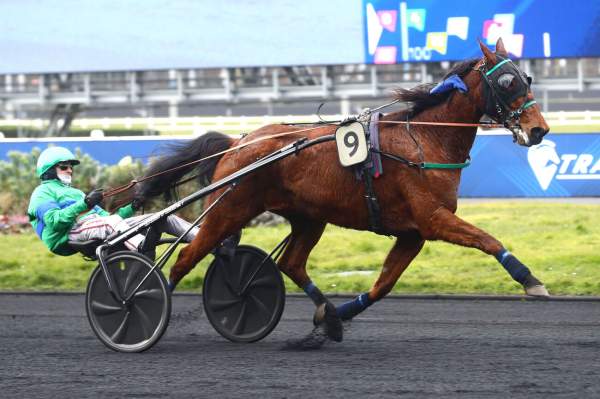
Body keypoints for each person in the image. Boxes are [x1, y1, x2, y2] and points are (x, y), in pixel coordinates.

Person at [27, 147, 198, 259]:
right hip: (68, 235)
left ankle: (205, 238)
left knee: (162, 217)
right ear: (49, 170)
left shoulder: (76, 193)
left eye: (71, 166)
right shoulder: (41, 193)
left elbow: (109, 218)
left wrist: (133, 207)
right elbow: (54, 222)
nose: (70, 170)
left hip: (96, 226)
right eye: (64, 167)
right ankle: (141, 249)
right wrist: (85, 203)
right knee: (111, 223)